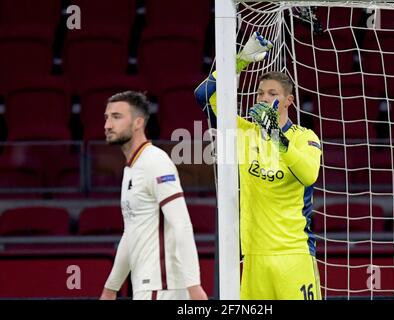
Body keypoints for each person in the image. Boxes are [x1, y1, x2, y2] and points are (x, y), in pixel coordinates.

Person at [194, 32, 322, 300]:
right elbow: (203, 95)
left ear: (289, 100)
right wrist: (239, 61)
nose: (264, 98)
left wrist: (276, 135)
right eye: (260, 93)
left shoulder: (304, 137)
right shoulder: (245, 132)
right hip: (253, 257)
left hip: (293, 255)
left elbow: (309, 175)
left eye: (272, 93)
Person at [100, 91, 208, 300]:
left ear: (138, 122)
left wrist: (194, 286)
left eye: (116, 117)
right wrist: (110, 288)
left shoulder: (155, 162)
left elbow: (182, 224)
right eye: (106, 118)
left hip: (162, 287)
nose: (107, 125)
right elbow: (131, 232)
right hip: (148, 288)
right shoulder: (131, 168)